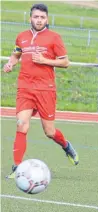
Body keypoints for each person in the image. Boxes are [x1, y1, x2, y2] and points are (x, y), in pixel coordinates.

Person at [3, 3, 79, 179]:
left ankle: (66, 146)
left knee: (49, 132)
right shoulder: (21, 37)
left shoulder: (54, 38)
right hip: (25, 87)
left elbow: (65, 62)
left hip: (46, 89)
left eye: (42, 17)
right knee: (21, 124)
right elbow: (16, 54)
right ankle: (17, 168)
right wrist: (10, 63)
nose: (39, 20)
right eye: (36, 17)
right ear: (30, 18)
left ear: (47, 19)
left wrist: (45, 60)